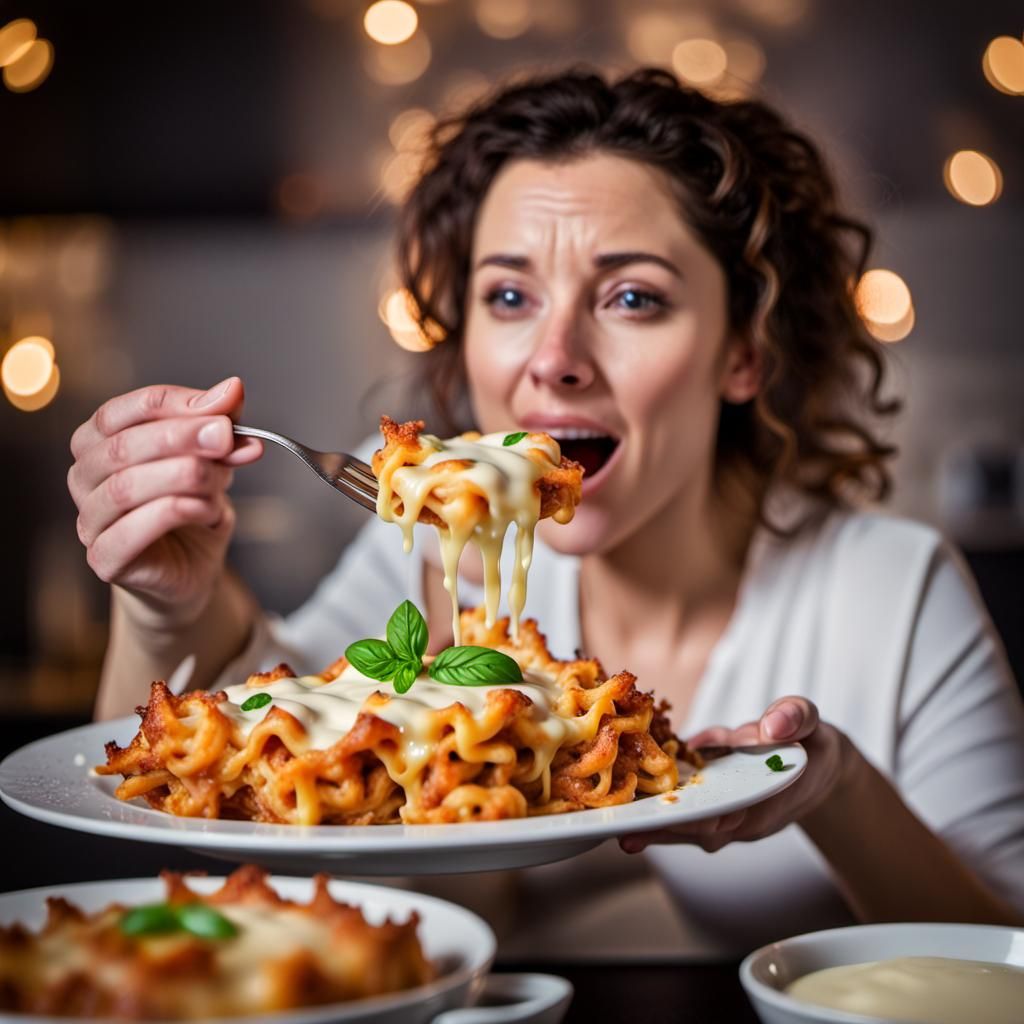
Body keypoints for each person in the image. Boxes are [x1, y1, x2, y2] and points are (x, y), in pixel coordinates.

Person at [67, 68, 1024, 952]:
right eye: (510, 295)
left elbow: (1004, 956)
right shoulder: (436, 548)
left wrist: (838, 790)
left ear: (745, 352)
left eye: (633, 298)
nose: (554, 356)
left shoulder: (894, 593)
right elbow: (208, 769)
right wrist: (170, 604)